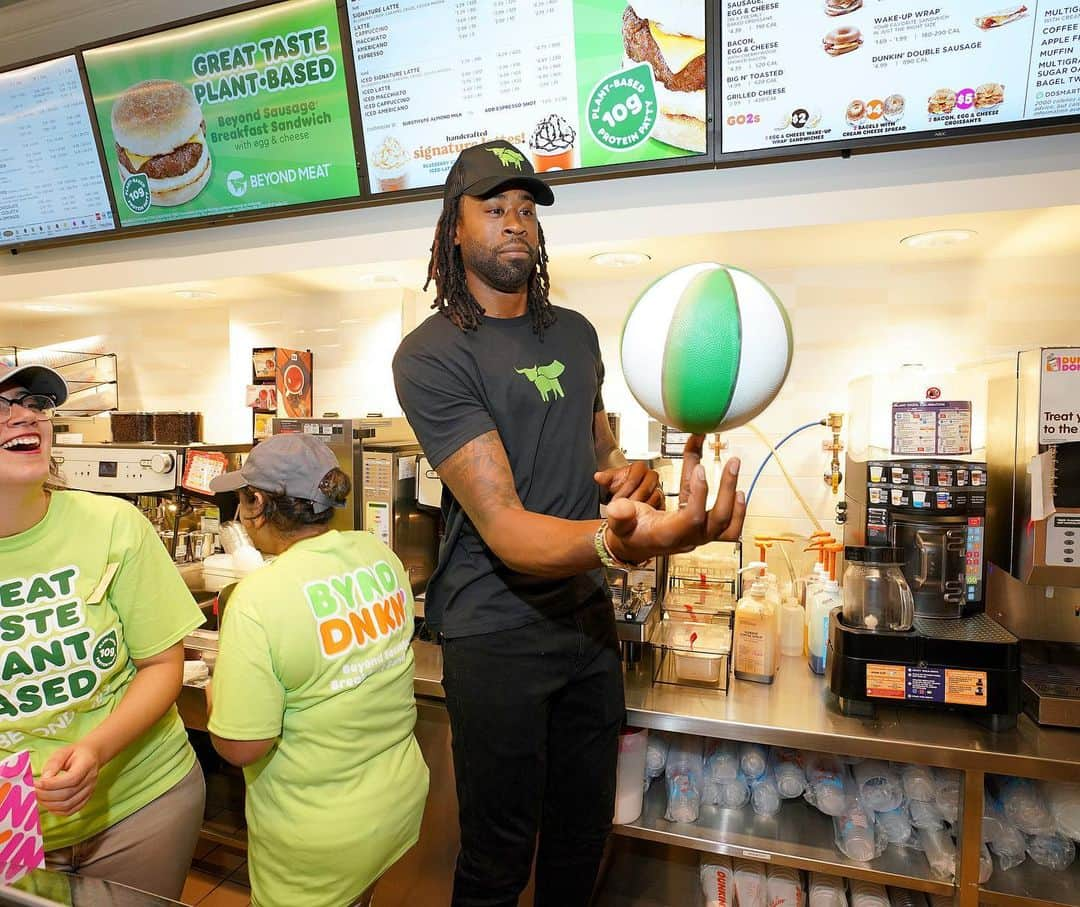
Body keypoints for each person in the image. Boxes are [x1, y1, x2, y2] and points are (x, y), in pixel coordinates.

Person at [393, 140, 745, 907]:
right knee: (497, 851)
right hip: (495, 631)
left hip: (584, 625)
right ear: (453, 228)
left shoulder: (576, 333)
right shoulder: (431, 354)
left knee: (585, 832)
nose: (515, 223)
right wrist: (618, 542)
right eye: (493, 209)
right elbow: (507, 526)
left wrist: (633, 480)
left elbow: (600, 453)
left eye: (526, 209)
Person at [0, 362, 206, 899]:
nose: (23, 415)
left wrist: (96, 748)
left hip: (141, 803)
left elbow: (163, 664)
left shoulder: (114, 526)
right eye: (0, 404)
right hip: (10, 828)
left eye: (33, 403)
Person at [205, 433, 429, 907]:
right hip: (395, 805)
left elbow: (242, 745)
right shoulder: (379, 556)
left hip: (317, 838)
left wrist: (213, 695)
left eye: (243, 499)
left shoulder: (258, 599)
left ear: (259, 503)